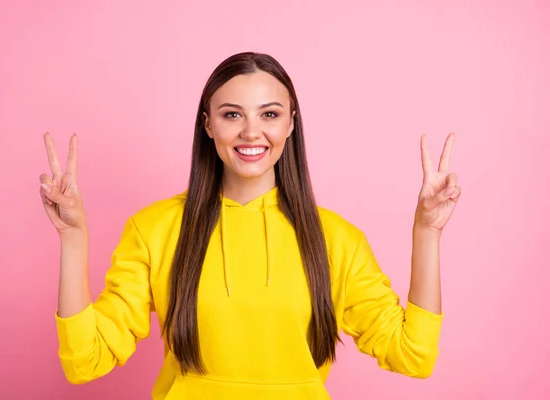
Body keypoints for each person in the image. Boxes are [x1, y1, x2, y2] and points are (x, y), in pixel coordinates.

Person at [39, 52, 461, 399]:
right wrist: (73, 239)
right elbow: (85, 360)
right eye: (232, 114)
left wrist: (427, 233)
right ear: (208, 124)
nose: (251, 131)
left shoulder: (336, 240)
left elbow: (412, 354)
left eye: (270, 113)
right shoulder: (154, 229)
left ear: (291, 123)